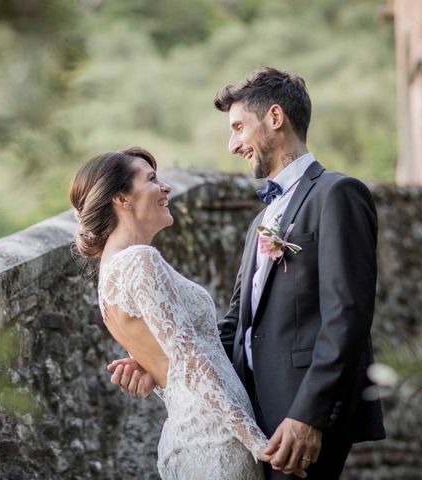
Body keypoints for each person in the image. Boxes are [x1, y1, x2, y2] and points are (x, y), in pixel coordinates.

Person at [108, 68, 386, 479]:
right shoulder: (259, 222)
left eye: (238, 127)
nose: (232, 143)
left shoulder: (337, 194)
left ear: (275, 118)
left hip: (301, 417)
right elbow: (237, 324)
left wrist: (309, 415)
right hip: (253, 416)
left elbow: (348, 315)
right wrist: (158, 363)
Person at [70, 147, 306, 479]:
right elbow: (191, 358)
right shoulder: (139, 261)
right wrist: (258, 443)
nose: (165, 187)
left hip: (187, 435)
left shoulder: (112, 271)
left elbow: (167, 359)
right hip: (215, 439)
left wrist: (148, 368)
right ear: (122, 199)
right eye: (151, 179)